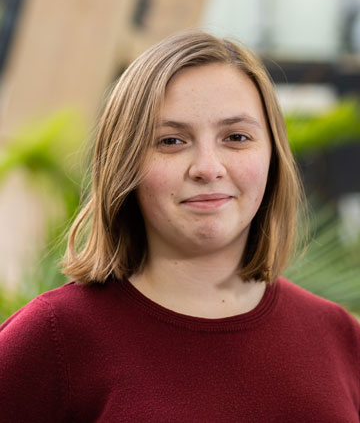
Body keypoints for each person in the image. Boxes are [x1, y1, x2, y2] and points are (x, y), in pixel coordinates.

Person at [1, 31, 359, 422]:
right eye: (171, 141)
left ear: (273, 155)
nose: (207, 167)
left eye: (236, 137)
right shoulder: (53, 339)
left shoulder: (339, 337)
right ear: (125, 164)